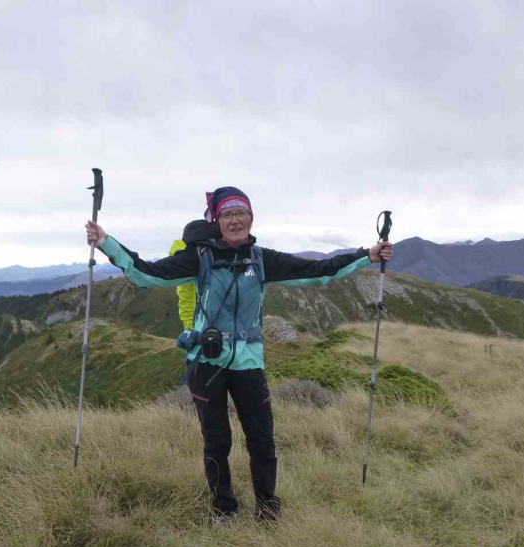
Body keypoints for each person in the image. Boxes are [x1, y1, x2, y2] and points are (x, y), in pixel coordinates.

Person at [86, 186, 393, 522]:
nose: (235, 220)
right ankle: (224, 508)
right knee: (216, 441)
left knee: (262, 439)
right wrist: (106, 242)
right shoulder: (198, 257)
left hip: (249, 363)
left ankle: (267, 507)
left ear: (251, 218)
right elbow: (148, 275)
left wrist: (368, 255)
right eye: (227, 214)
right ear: (216, 220)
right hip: (207, 363)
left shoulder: (262, 259)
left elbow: (318, 270)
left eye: (241, 213)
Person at [169, 219, 221, 330]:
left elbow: (185, 299)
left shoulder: (187, 260)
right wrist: (190, 328)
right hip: (204, 326)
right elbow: (187, 298)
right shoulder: (192, 263)